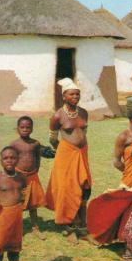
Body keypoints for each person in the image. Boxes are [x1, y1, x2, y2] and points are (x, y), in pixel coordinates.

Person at [87, 97, 132, 261]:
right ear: (131, 118)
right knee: (131, 215)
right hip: (131, 182)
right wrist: (130, 172)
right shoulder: (123, 137)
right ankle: (128, 253)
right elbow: (117, 161)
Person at [46, 78, 92, 244]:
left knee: (85, 189)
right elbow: (52, 139)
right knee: (67, 190)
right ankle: (69, 227)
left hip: (82, 154)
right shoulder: (58, 115)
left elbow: (83, 133)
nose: (75, 97)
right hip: (66, 155)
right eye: (72, 94)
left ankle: (82, 228)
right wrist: (64, 151)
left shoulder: (84, 113)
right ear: (64, 96)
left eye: (77, 94)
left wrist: (80, 148)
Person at [10, 116, 46, 240]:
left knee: (33, 203)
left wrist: (35, 171)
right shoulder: (14, 144)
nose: (25, 129)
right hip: (18, 176)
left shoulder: (35, 143)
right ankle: (15, 229)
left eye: (28, 127)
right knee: (17, 203)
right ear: (17, 129)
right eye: (22, 127)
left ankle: (35, 227)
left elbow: (38, 158)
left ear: (32, 129)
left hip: (32, 176)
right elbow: (11, 160)